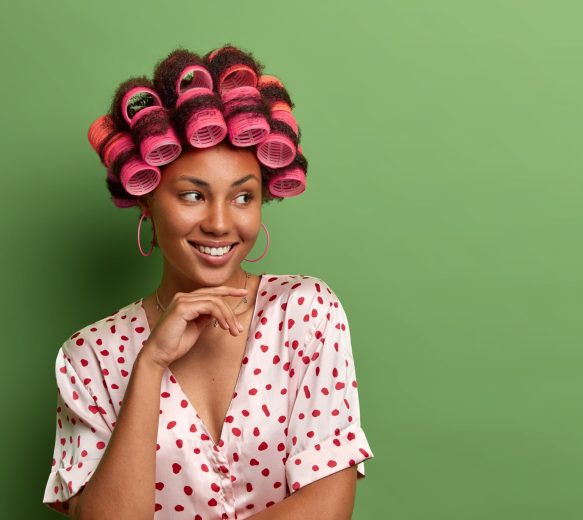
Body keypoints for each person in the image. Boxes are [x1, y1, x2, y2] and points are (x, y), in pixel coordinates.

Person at [41, 45, 373, 519]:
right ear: (146, 201)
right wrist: (150, 364)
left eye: (242, 196)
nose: (219, 224)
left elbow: (328, 507)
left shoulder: (306, 312)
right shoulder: (91, 356)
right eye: (193, 195)